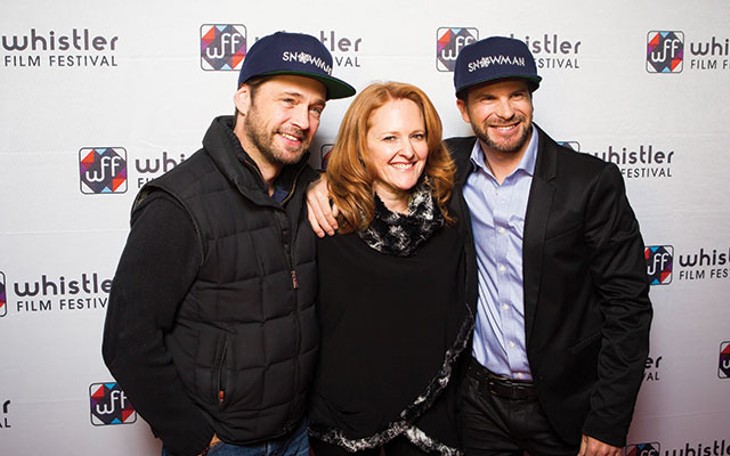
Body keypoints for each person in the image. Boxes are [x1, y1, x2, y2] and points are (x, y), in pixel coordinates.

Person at [306, 37, 652, 456]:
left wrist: (608, 420)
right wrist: (321, 183)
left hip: (563, 403)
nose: (505, 111)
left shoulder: (590, 182)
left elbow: (627, 305)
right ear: (463, 109)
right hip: (475, 405)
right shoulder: (449, 170)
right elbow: (377, 165)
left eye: (517, 95)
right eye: (488, 98)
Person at [102, 31, 355, 456]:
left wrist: (323, 180)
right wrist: (195, 438)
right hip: (224, 445)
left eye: (315, 108)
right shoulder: (180, 204)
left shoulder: (309, 193)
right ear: (243, 98)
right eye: (288, 101)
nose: (303, 121)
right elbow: (127, 340)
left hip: (298, 436)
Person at [306, 82, 475, 456]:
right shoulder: (327, 220)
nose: (407, 151)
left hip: (433, 423)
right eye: (389, 138)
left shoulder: (451, 214)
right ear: (360, 145)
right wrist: (315, 183)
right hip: (344, 426)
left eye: (417, 136)